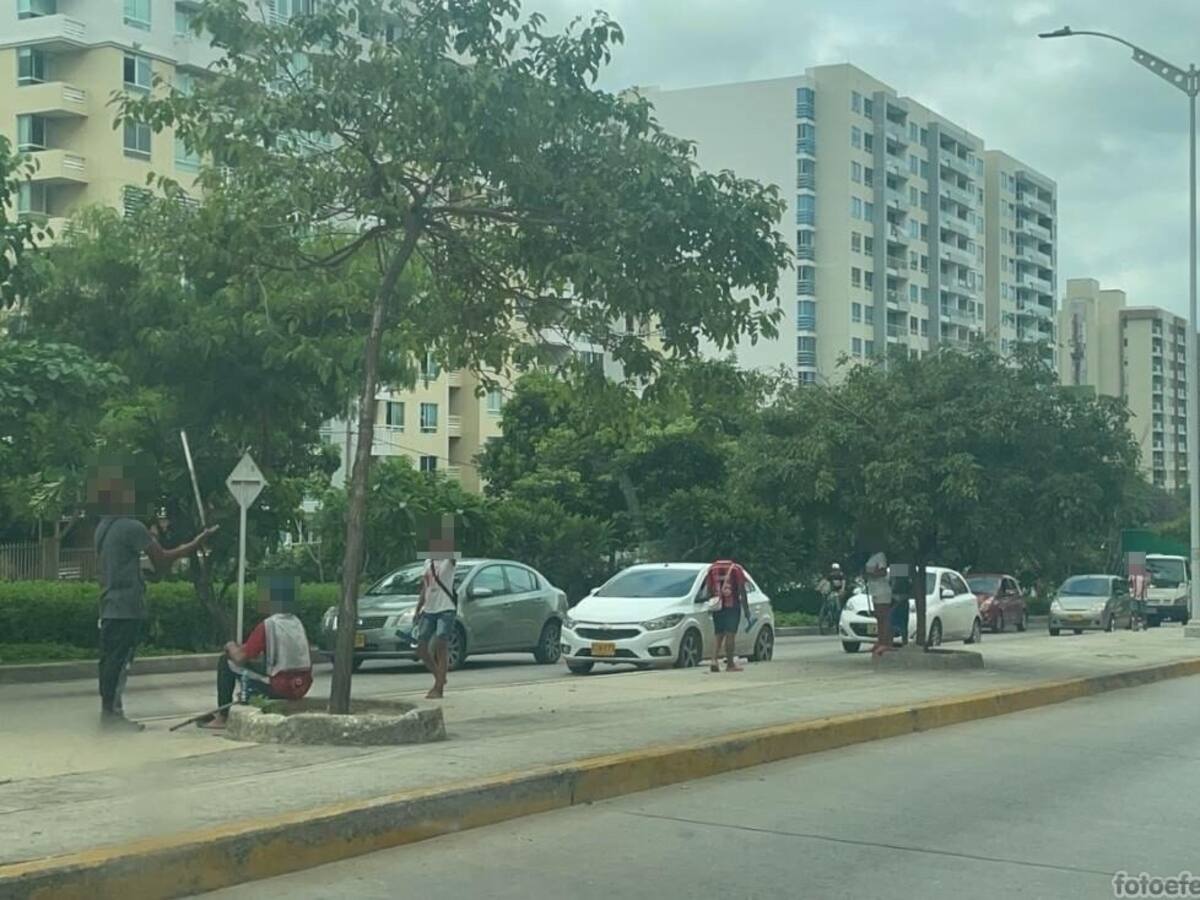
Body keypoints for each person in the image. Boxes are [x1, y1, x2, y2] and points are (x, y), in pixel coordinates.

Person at [91, 463, 217, 730]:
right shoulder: (131, 527)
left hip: (108, 604)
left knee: (109, 660)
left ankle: (108, 713)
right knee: (120, 661)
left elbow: (125, 565)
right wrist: (196, 543)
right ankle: (112, 717)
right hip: (126, 606)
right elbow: (161, 560)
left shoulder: (102, 527)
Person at [204, 573, 313, 729]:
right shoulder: (297, 623)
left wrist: (230, 646)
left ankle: (223, 716)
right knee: (260, 666)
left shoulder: (268, 625)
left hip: (280, 687)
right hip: (301, 686)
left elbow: (240, 658)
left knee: (225, 662)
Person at [414, 532, 458, 700]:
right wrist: (418, 608)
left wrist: (447, 525)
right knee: (421, 647)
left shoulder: (449, 561)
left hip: (446, 608)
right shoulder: (427, 563)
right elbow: (424, 588)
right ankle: (440, 676)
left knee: (441, 642)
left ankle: (438, 687)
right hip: (429, 609)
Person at [707, 560, 751, 673]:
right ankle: (730, 664)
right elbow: (741, 589)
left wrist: (712, 603)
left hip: (717, 606)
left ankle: (714, 660)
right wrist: (746, 609)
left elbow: (709, 588)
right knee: (730, 634)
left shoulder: (712, 568)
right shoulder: (736, 569)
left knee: (718, 634)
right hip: (732, 606)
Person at [864, 550, 893, 656]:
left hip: (882, 591)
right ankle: (880, 641)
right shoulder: (871, 556)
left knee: (884, 616)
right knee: (879, 617)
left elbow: (883, 571)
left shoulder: (881, 555)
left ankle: (885, 642)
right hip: (874, 591)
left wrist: (871, 574)